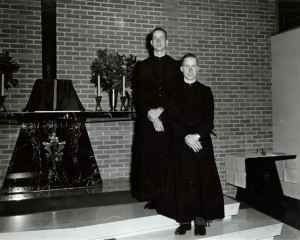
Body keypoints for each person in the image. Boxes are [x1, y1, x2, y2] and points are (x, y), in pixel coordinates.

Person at [156, 53, 224, 236]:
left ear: (198, 68)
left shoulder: (205, 91)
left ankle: (200, 221)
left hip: (200, 144)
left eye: (194, 66)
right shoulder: (173, 91)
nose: (191, 70)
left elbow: (209, 119)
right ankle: (184, 221)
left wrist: (196, 136)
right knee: (182, 181)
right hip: (181, 143)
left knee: (201, 181)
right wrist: (186, 137)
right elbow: (170, 120)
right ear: (181, 68)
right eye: (187, 66)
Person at [130, 27, 182, 209]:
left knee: (168, 158)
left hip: (169, 120)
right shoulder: (141, 67)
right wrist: (152, 116)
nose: (159, 41)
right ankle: (154, 196)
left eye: (162, 38)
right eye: (155, 39)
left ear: (167, 42)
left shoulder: (176, 67)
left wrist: (160, 111)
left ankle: (169, 196)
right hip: (147, 120)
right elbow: (138, 96)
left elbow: (177, 95)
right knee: (150, 158)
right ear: (151, 43)